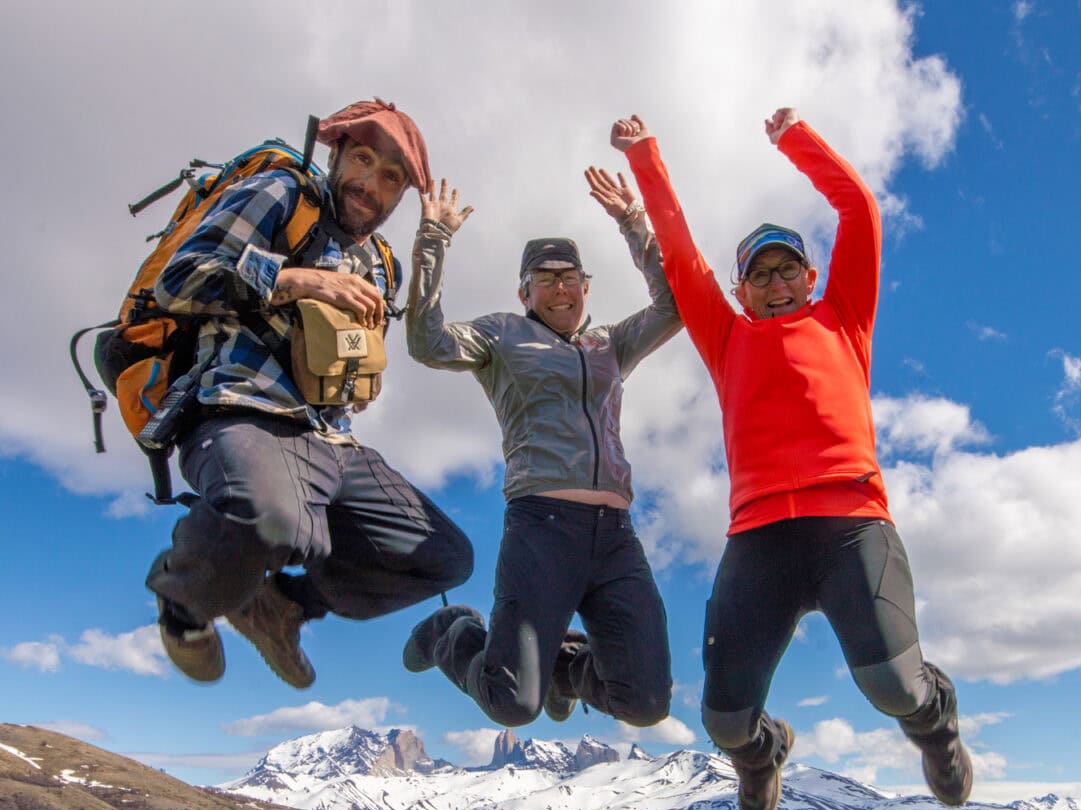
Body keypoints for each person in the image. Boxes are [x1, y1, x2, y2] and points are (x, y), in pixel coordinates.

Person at [611, 109, 973, 810]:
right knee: (722, 719)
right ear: (742, 289)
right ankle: (763, 752)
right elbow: (681, 255)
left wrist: (794, 141)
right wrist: (645, 157)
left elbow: (860, 209)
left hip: (852, 526)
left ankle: (938, 725)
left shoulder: (843, 318)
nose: (775, 284)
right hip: (760, 538)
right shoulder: (727, 339)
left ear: (810, 276)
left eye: (786, 271)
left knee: (895, 687)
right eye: (758, 274)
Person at [147, 99, 473, 689]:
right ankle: (185, 604)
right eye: (364, 159)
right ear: (336, 154)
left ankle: (283, 605)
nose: (371, 183)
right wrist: (296, 279)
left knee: (445, 557)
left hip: (332, 440)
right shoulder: (280, 195)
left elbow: (349, 347)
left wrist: (358, 382)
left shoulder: (381, 263)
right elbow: (180, 279)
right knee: (275, 518)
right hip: (241, 408)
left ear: (401, 195)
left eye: (391, 177)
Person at [402, 170, 681, 729]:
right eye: (545, 279)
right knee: (512, 705)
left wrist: (633, 223)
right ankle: (452, 632)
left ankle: (566, 668)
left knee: (647, 703)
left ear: (585, 286)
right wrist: (434, 239)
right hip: (542, 528)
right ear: (524, 291)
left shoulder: (610, 344)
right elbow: (427, 342)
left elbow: (676, 304)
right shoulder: (502, 336)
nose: (560, 288)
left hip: (615, 536)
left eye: (571, 277)